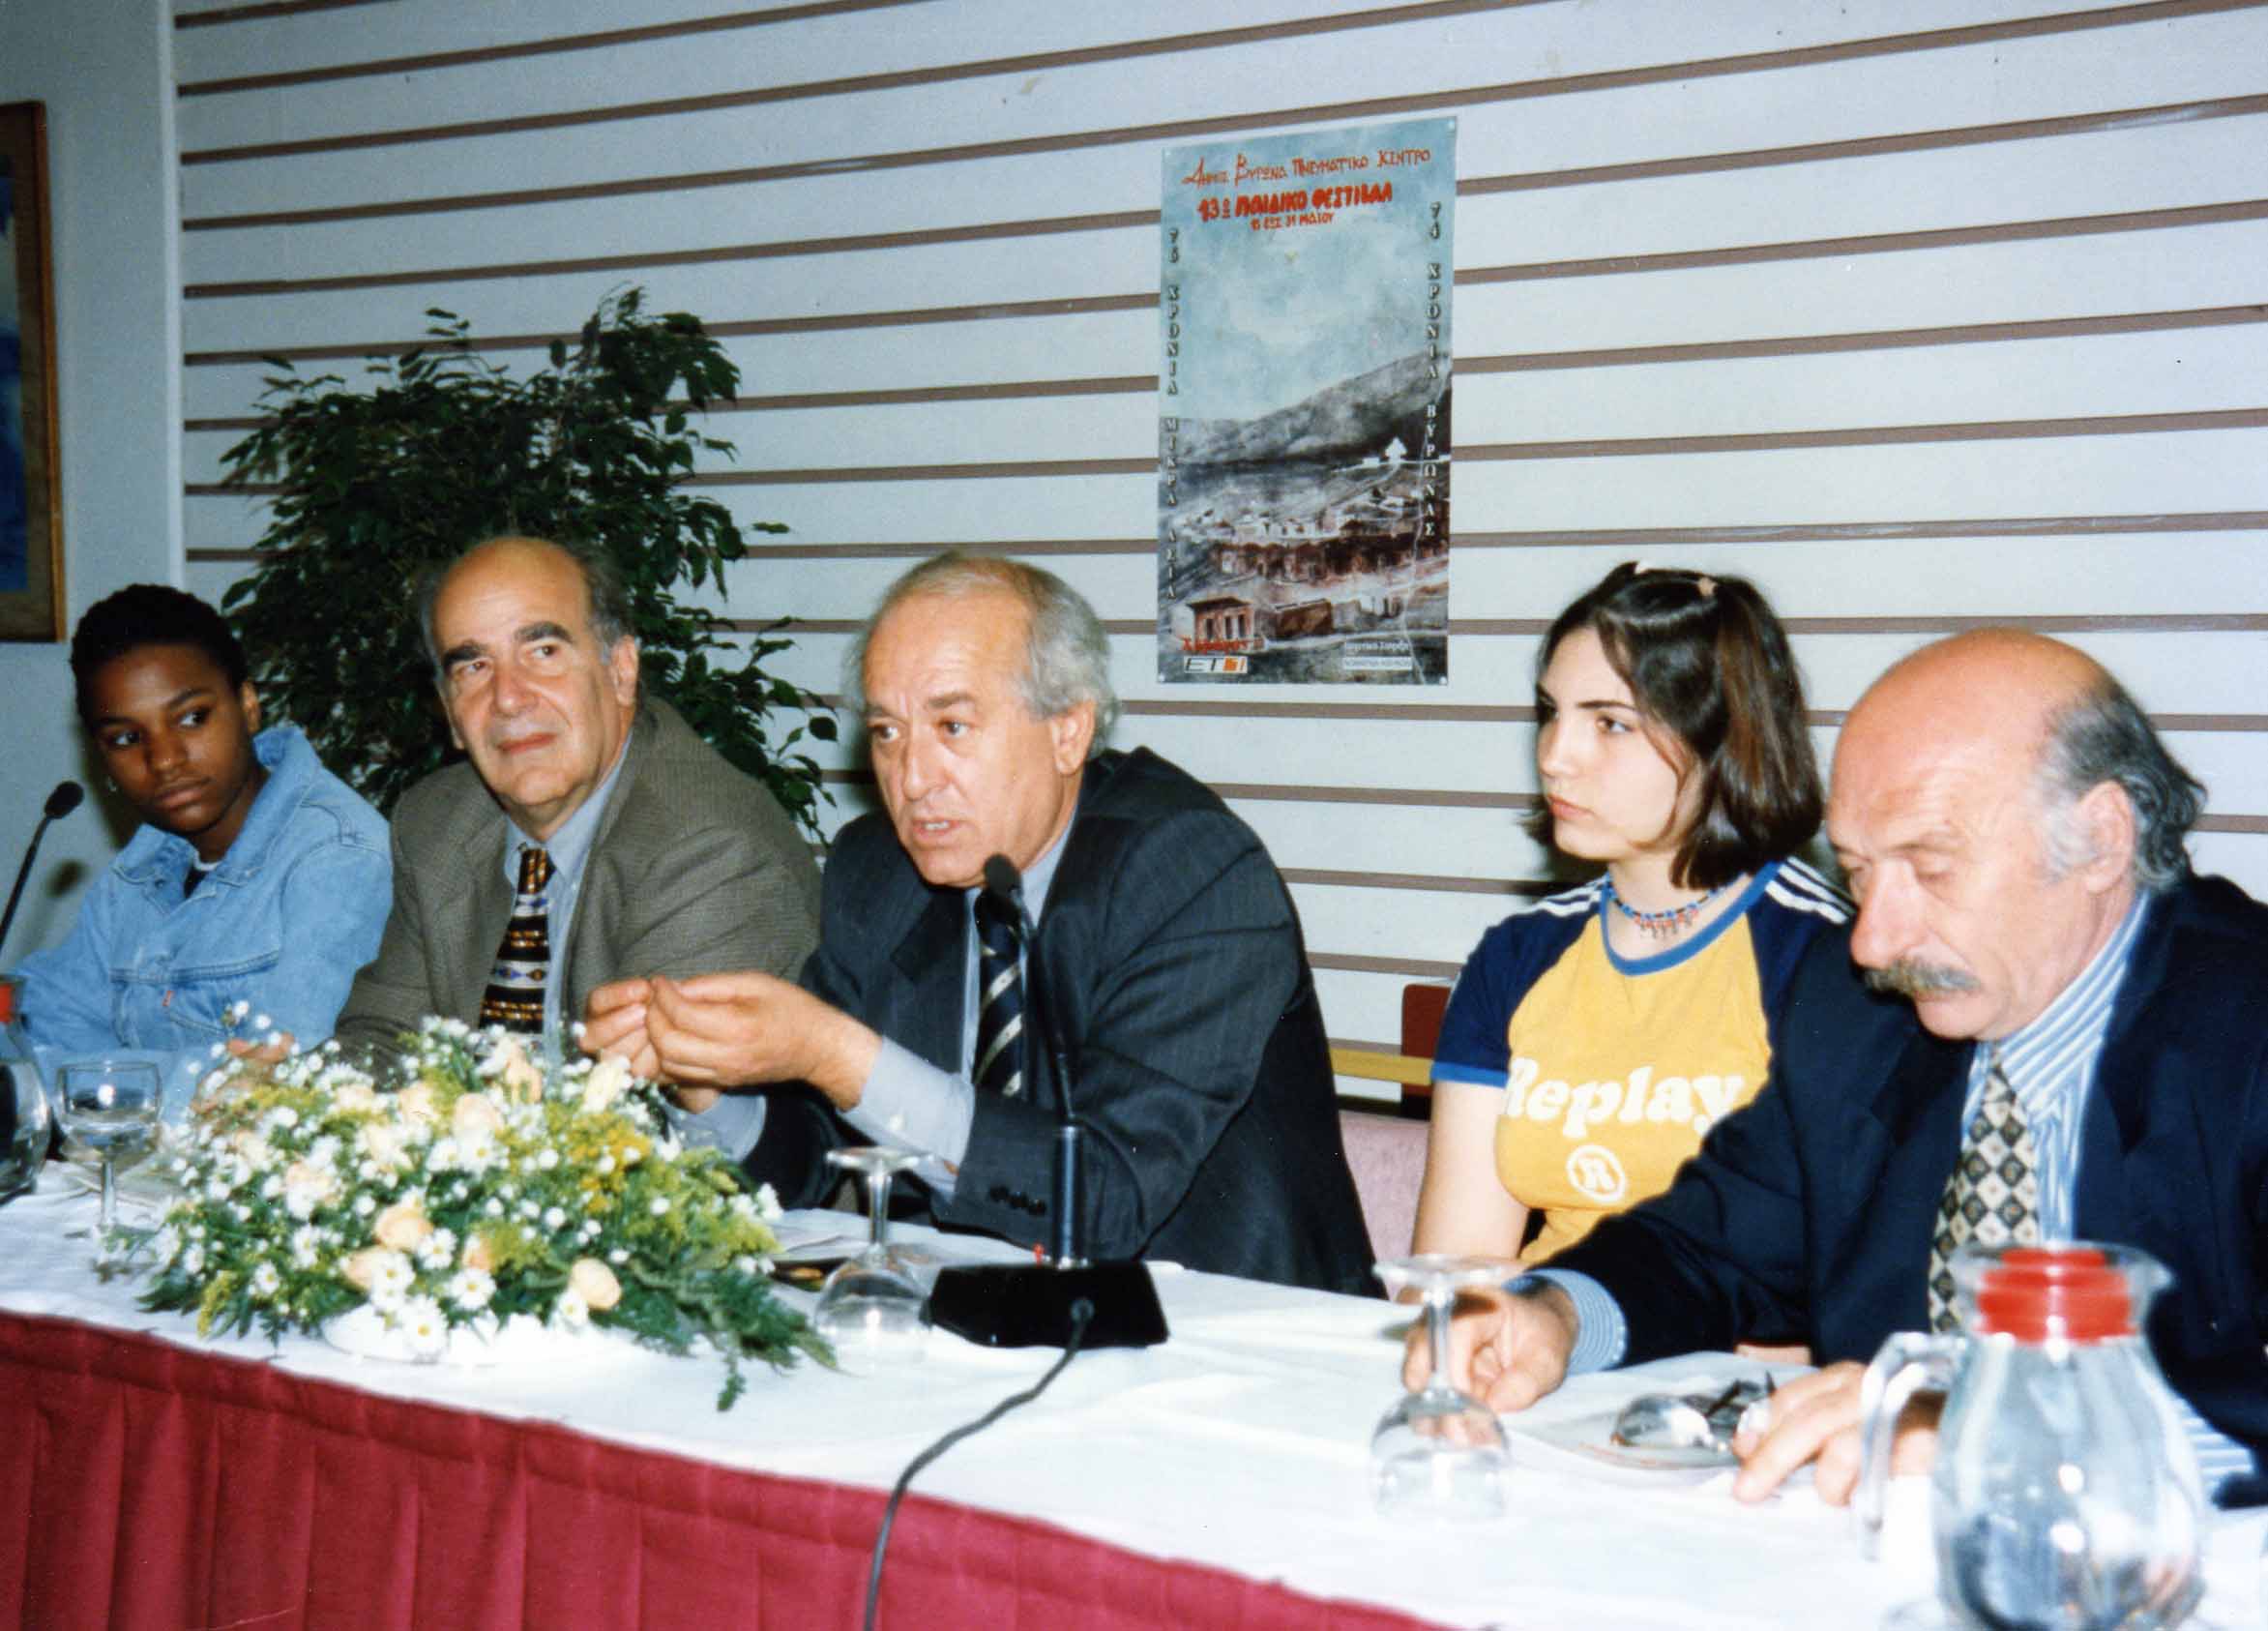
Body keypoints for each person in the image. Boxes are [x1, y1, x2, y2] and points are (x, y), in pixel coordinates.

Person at [1413, 629, 2268, 1502]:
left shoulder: (2246, 1024)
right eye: (1857, 874)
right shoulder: (1857, 1005)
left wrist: (2011, 1431)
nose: (1873, 940)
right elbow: (1707, 1244)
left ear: (2099, 840)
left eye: (1929, 869)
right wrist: (1556, 1314)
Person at [584, 551, 1374, 1293]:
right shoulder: (878, 872)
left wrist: (834, 1052)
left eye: (951, 727)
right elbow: (815, 1165)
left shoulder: (1190, 871)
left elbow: (1106, 1195)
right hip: (962, 1317)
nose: (911, 778)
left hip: (1217, 1325)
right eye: (887, 732)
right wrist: (705, 1087)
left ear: (1067, 731)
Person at [332, 535, 832, 1198]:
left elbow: (638, 1147)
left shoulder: (709, 847)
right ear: (450, 713)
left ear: (621, 670)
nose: (509, 698)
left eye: (543, 651)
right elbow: (382, 1037)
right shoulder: (436, 823)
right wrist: (297, 1113)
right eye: (473, 667)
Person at [1413, 563, 1852, 1270]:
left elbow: (1834, 1281)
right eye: (1550, 713)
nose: (1555, 757)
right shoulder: (1517, 956)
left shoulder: (1824, 957)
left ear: (1721, 740)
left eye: (1611, 724)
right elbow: (1453, 1268)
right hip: (1534, 1329)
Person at [13, 584, 390, 1116]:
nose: (164, 760)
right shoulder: (138, 873)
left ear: (249, 707)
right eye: (126, 739)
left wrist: (94, 1079)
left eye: (191, 718)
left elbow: (276, 1092)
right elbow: (38, 1029)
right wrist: (174, 1081)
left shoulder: (339, 858)